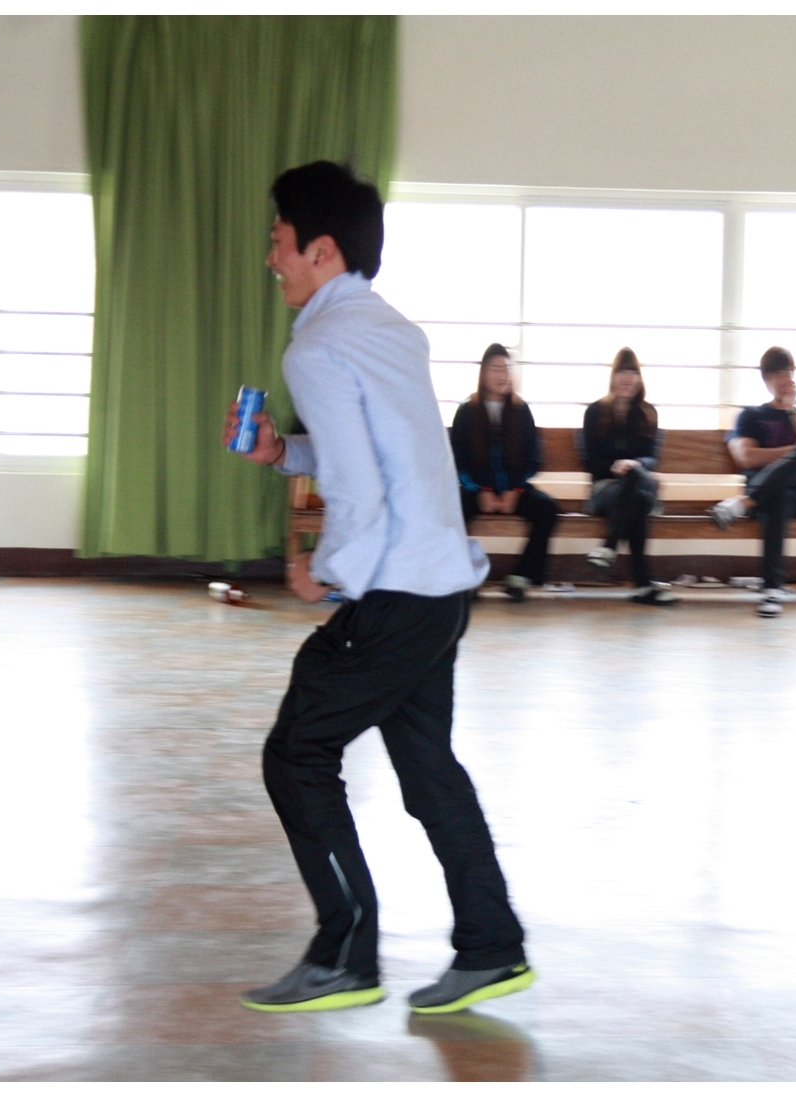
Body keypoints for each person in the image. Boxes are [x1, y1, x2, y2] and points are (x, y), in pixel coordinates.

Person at [223, 161, 532, 1015]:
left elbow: (360, 485)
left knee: (296, 754)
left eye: (279, 241)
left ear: (321, 250)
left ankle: (345, 953)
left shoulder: (317, 347)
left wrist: (325, 571)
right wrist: (282, 452)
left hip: (394, 592)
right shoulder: (390, 329)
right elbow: (385, 446)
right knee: (428, 770)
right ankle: (492, 945)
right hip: (440, 589)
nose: (270, 257)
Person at [709, 347, 796, 618]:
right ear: (765, 380)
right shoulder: (751, 415)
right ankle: (772, 591)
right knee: (780, 495)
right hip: (768, 497)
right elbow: (746, 457)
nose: (783, 380)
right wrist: (793, 451)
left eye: (787, 373)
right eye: (776, 375)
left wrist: (793, 412)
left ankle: (742, 503)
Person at [450, 344, 559, 602]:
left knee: (547, 509)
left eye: (507, 369)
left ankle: (521, 577)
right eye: (496, 369)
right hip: (476, 488)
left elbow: (533, 459)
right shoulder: (467, 411)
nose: (502, 375)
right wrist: (480, 491)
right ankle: (464, 578)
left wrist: (515, 490)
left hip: (514, 488)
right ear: (483, 373)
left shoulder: (521, 410)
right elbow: (457, 461)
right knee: (451, 511)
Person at [578, 348, 678, 606]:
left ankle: (609, 547)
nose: (627, 378)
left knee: (636, 483)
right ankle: (643, 583)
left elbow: (651, 458)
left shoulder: (648, 413)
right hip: (605, 489)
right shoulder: (595, 412)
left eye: (633, 372)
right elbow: (589, 461)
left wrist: (634, 465)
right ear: (613, 376)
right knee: (640, 499)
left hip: (638, 482)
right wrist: (615, 467)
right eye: (622, 371)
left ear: (639, 378)